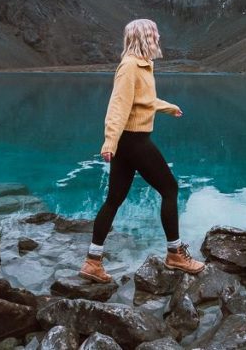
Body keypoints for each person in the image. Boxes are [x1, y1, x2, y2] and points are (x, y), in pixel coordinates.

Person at [79, 18, 206, 283]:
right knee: (170, 189)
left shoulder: (144, 65)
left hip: (130, 141)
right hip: (134, 141)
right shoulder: (130, 67)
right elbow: (118, 106)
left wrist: (168, 107)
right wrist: (109, 142)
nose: (159, 38)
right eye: (155, 34)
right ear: (144, 37)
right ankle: (175, 254)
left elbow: (143, 101)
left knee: (114, 200)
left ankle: (93, 261)